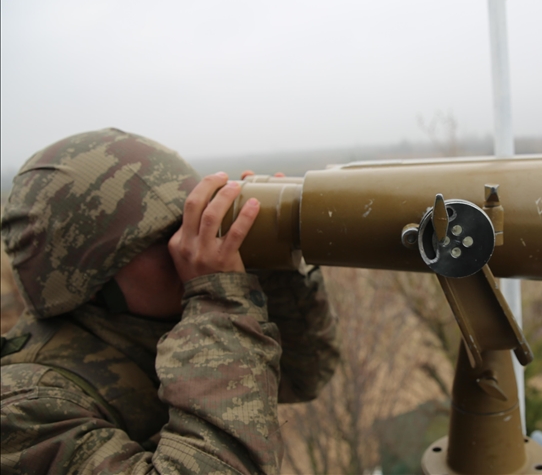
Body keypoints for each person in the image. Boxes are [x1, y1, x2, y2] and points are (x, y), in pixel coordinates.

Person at [0, 128, 339, 474]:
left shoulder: (157, 331)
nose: (188, 243)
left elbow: (302, 374)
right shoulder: (24, 411)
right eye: (167, 234)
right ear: (86, 277)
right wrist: (220, 302)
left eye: (196, 219)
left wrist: (274, 262)